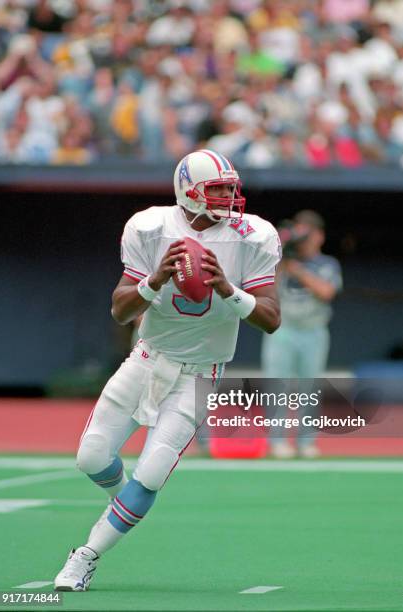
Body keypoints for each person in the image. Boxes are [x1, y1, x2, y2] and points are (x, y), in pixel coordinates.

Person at [53, 149, 281, 591]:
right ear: (188, 190)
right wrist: (155, 280)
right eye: (217, 189)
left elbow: (270, 318)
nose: (229, 197)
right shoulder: (150, 226)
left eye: (231, 188)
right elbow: (120, 311)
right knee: (91, 457)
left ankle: (85, 555)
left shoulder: (253, 235)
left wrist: (228, 289)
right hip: (147, 358)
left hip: (201, 371)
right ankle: (127, 507)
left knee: (152, 473)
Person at [261, 210, 342, 459]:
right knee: (277, 385)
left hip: (313, 332)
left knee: (310, 387)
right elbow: (266, 291)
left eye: (307, 234)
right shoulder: (282, 261)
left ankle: (306, 441)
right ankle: (276, 441)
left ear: (318, 236)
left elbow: (326, 292)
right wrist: (281, 255)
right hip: (283, 329)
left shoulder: (327, 264)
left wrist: (297, 270)